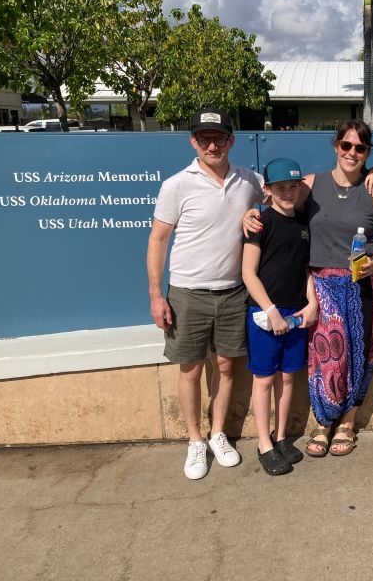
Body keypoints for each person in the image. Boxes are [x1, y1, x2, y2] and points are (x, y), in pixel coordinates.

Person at [243, 119, 373, 457]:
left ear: (367, 152)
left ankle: (347, 423)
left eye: (360, 148)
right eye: (346, 146)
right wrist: (250, 213)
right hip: (320, 286)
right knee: (326, 356)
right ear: (336, 146)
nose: (352, 153)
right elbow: (277, 207)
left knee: (359, 355)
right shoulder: (311, 184)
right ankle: (323, 420)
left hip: (363, 283)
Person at [147, 107, 264, 480]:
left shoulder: (251, 182)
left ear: (231, 140)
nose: (212, 144)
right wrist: (156, 295)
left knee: (228, 367)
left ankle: (218, 435)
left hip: (233, 292)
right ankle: (195, 441)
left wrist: (371, 174)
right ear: (193, 141)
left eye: (219, 137)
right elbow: (158, 240)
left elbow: (293, 189)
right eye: (204, 138)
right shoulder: (177, 184)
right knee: (191, 370)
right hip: (187, 293)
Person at [242, 158, 318, 475]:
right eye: (280, 187)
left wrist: (312, 303)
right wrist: (270, 310)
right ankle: (264, 444)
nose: (287, 192)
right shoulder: (261, 222)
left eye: (293, 186)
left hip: (296, 313)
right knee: (264, 379)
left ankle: (282, 436)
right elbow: (248, 272)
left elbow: (307, 270)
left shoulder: (304, 226)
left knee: (288, 377)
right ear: (268, 190)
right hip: (264, 313)